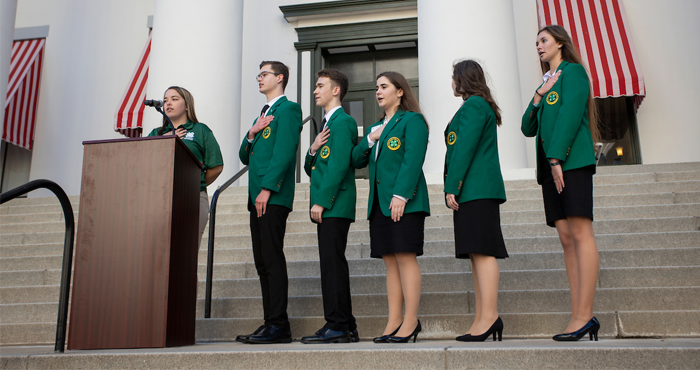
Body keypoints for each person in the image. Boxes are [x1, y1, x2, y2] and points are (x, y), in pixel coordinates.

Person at [521, 24, 601, 341]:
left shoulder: (574, 73)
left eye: (544, 40)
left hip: (571, 162)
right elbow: (527, 126)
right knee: (566, 238)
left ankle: (585, 316)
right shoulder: (547, 82)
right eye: (536, 42)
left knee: (581, 232)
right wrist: (540, 93)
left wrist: (556, 158)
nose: (538, 46)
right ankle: (577, 314)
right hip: (550, 168)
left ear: (560, 44)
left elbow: (570, 116)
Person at [351, 71, 430, 344]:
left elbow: (413, 159)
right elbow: (356, 158)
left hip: (403, 202)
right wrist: (371, 138)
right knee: (390, 262)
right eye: (376, 87)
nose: (378, 91)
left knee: (406, 258)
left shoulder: (412, 120)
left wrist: (401, 194)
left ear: (400, 92)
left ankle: (411, 322)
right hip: (379, 204)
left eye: (384, 86)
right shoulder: (376, 127)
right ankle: (394, 320)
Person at [237, 61, 303, 344]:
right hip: (257, 197)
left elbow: (285, 151)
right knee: (262, 261)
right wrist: (251, 133)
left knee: (272, 258)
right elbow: (244, 156)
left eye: (264, 74)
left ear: (280, 77)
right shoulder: (263, 114)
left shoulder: (288, 109)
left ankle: (279, 325)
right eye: (258, 75)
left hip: (271, 196)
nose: (259, 78)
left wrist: (267, 189)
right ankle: (269, 322)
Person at [445, 60, 508, 342]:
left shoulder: (473, 106)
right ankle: (482, 317)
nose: (451, 83)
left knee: (483, 252)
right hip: (474, 190)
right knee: (476, 254)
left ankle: (490, 316)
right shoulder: (476, 105)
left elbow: (464, 149)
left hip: (476, 189)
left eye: (453, 77)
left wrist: (452, 186)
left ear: (463, 79)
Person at [300, 69, 359, 344]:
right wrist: (312, 149)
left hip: (334, 204)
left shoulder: (343, 122)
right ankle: (345, 324)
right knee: (331, 264)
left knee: (332, 265)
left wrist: (321, 201)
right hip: (329, 204)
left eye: (320, 85)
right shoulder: (326, 126)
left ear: (336, 90)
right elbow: (311, 169)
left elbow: (337, 166)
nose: (315, 90)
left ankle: (338, 325)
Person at [146, 86, 223, 250]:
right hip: (159, 199)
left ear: (187, 105)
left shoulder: (200, 130)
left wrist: (195, 184)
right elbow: (142, 163)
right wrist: (163, 141)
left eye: (174, 99)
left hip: (192, 198)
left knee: (186, 255)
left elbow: (216, 167)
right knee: (159, 253)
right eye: (165, 100)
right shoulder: (156, 134)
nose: (168, 103)